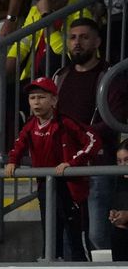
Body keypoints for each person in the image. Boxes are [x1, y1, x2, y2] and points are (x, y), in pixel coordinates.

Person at [5, 77, 100, 262]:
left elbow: (92, 140)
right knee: (50, 226)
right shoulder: (30, 126)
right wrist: (12, 161)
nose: (36, 102)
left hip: (70, 186)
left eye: (41, 97)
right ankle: (51, 261)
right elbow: (18, 145)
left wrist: (71, 163)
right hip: (45, 186)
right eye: (32, 98)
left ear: (54, 100)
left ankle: (81, 265)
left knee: (74, 230)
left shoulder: (66, 122)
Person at [54, 18, 126, 256]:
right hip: (64, 164)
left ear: (97, 42)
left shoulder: (110, 76)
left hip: (97, 163)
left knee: (97, 233)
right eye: (73, 37)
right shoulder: (60, 76)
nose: (77, 43)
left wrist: (81, 135)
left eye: (84, 37)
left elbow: (114, 118)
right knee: (67, 232)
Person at [108, 139, 128, 262]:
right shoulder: (120, 181)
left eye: (127, 160)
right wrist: (114, 214)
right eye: (119, 161)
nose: (122, 166)